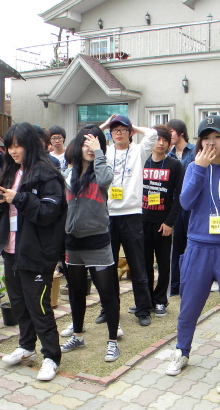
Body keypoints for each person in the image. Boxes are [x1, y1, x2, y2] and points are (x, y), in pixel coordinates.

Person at [165, 115, 220, 396]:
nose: (211, 142)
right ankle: (182, 351)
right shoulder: (193, 167)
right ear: (199, 141)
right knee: (189, 309)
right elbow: (185, 202)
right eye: (206, 138)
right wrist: (201, 169)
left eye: (217, 137)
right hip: (198, 248)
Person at [0, 122, 67, 381]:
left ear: (30, 145)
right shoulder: (10, 171)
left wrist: (19, 198)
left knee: (38, 305)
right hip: (11, 248)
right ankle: (26, 347)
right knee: (19, 303)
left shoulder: (47, 173)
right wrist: (0, 200)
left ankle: (51, 356)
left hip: (36, 251)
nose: (13, 151)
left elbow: (48, 213)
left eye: (18, 146)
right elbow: (2, 209)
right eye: (10, 146)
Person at [59, 125, 122, 361]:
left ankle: (112, 341)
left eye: (94, 144)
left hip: (98, 242)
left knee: (107, 294)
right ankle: (77, 335)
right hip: (73, 243)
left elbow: (106, 179)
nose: (89, 148)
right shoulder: (68, 174)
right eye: (85, 144)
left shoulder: (102, 171)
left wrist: (99, 152)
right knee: (76, 293)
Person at [96, 114, 158, 327]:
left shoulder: (138, 151)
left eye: (122, 129)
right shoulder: (105, 152)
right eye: (115, 130)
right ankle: (109, 309)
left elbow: (153, 134)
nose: (118, 133)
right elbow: (87, 137)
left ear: (130, 133)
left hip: (132, 214)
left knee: (137, 264)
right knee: (108, 266)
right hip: (109, 214)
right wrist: (105, 124)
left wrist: (133, 127)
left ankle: (143, 309)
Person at [141, 125, 184, 317]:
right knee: (144, 264)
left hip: (163, 223)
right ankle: (145, 300)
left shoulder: (174, 165)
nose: (160, 143)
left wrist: (169, 222)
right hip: (142, 221)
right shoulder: (142, 161)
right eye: (157, 139)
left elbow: (179, 196)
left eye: (165, 140)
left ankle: (160, 300)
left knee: (164, 265)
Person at [166, 119, 196, 296]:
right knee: (176, 246)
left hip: (192, 206)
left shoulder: (194, 151)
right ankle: (175, 286)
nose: (169, 136)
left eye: (171, 131)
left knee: (193, 245)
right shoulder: (169, 155)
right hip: (175, 205)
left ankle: (193, 283)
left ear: (181, 132)